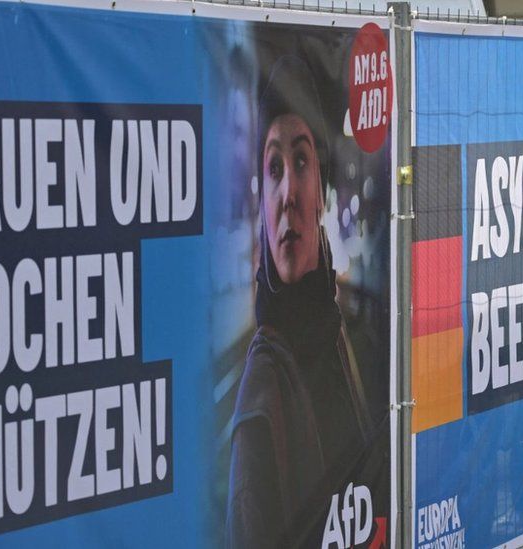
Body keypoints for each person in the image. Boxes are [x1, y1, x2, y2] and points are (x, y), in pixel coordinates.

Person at [225, 55, 374, 547]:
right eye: (273, 168)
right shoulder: (261, 397)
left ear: (320, 196)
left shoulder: (336, 333)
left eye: (302, 162)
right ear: (263, 206)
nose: (287, 189)